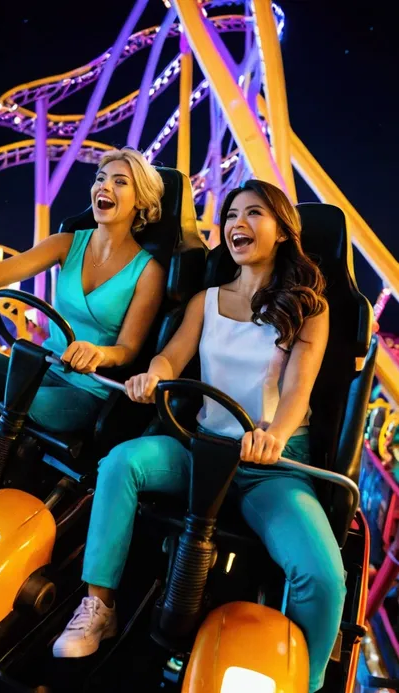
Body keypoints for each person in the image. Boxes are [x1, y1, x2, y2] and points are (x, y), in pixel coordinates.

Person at [53, 179, 345, 693]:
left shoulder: (309, 310)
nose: (238, 223)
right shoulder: (206, 300)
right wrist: (154, 374)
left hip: (268, 466)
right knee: (122, 462)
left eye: (254, 213)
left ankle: (309, 679)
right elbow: (173, 356)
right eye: (232, 214)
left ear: (281, 232)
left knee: (322, 578)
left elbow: (298, 392)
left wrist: (274, 435)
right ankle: (99, 604)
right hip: (202, 446)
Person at [0, 148, 166, 437]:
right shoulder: (65, 244)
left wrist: (97, 352)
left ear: (140, 199)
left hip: (85, 390)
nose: (105, 186)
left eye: (120, 182)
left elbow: (127, 350)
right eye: (100, 178)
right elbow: (0, 272)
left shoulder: (148, 271)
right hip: (41, 367)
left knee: (22, 399)